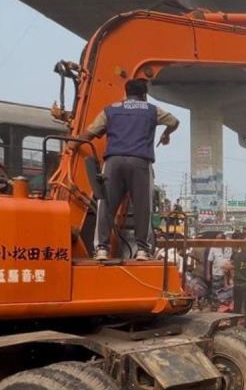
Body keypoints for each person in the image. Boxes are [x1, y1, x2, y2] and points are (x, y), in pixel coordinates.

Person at [76, 78, 180, 261]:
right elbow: (174, 121)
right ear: (144, 95)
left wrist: (72, 144)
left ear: (125, 94)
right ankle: (142, 250)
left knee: (106, 204)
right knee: (142, 206)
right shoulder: (152, 110)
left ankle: (101, 248)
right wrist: (166, 134)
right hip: (140, 162)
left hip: (114, 162)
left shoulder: (111, 110)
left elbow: (90, 133)